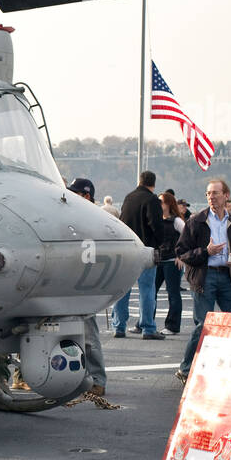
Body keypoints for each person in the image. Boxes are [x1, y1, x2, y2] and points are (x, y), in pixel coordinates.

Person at [175, 178, 231, 382]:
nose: (211, 197)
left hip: (228, 276)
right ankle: (186, 368)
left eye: (215, 193)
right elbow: (181, 252)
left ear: (226, 195)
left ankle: (230, 368)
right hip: (204, 276)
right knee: (203, 326)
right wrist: (205, 252)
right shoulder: (196, 222)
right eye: (208, 193)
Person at [111, 170, 165, 339]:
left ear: (139, 181)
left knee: (123, 289)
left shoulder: (128, 198)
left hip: (127, 249)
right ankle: (148, 328)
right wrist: (162, 243)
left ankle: (119, 327)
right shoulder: (152, 200)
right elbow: (156, 225)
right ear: (153, 184)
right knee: (147, 290)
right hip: (146, 250)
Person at [67, 178, 108, 396]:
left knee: (89, 336)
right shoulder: (73, 216)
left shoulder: (95, 220)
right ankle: (78, 378)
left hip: (85, 284)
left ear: (86, 196)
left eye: (75, 192)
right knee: (71, 335)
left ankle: (97, 380)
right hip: (70, 282)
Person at [154, 190, 185, 334]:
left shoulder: (177, 221)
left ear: (168, 204)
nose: (158, 204)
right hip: (158, 260)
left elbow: (187, 237)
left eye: (161, 201)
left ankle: (172, 326)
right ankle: (146, 322)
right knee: (150, 292)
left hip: (172, 261)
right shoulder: (157, 219)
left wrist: (181, 256)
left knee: (173, 294)